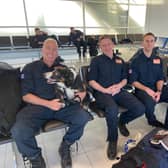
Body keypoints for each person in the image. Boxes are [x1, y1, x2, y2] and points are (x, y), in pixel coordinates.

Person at [11, 38, 91, 168]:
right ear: (42, 49)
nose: (51, 52)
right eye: (48, 48)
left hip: (63, 106)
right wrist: (48, 104)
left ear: (57, 51)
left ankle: (66, 145)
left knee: (83, 117)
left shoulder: (64, 69)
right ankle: (35, 158)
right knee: (19, 131)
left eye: (54, 49)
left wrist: (78, 99)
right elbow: (26, 96)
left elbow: (81, 89)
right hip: (38, 106)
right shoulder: (30, 68)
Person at [87, 35, 145, 160]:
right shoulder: (96, 61)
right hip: (102, 92)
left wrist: (119, 86)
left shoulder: (120, 60)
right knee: (112, 109)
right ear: (100, 47)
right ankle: (112, 141)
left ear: (113, 45)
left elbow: (125, 78)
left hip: (118, 91)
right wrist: (105, 90)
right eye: (103, 45)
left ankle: (122, 122)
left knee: (140, 108)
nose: (107, 47)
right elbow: (91, 81)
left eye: (108, 44)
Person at [129, 32, 168, 128]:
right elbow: (133, 81)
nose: (149, 43)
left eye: (152, 41)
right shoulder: (136, 61)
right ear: (142, 43)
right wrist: (147, 90)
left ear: (154, 43)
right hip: (142, 90)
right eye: (147, 41)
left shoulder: (158, 60)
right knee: (150, 101)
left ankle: (167, 127)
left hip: (156, 87)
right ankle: (151, 120)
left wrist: (159, 91)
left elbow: (160, 77)